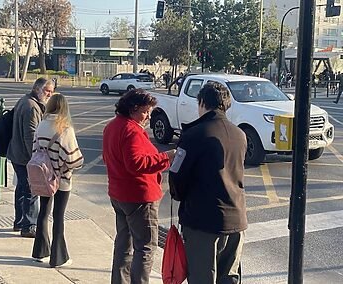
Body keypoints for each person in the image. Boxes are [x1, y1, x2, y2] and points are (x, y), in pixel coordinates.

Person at [169, 82, 248, 284]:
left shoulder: (193, 135)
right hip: (236, 219)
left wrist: (179, 196)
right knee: (229, 278)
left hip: (202, 221)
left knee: (202, 277)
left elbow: (177, 177)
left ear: (202, 102)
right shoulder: (240, 135)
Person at [102, 89, 176, 284]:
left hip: (119, 194)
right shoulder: (131, 131)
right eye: (145, 111)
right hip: (139, 196)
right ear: (133, 109)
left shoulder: (113, 126)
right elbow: (136, 164)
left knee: (123, 244)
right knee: (145, 247)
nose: (148, 116)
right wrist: (166, 157)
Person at [31, 93, 84, 267]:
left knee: (43, 212)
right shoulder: (65, 128)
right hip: (61, 179)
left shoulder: (41, 126)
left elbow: (35, 150)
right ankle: (58, 256)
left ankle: (40, 251)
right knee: (59, 215)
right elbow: (73, 159)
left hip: (44, 176)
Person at [7, 78, 55, 238]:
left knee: (21, 188)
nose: (50, 94)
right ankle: (29, 225)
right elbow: (30, 135)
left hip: (16, 153)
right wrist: (34, 159)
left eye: (51, 91)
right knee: (31, 190)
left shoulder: (24, 100)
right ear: (37, 89)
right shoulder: (32, 107)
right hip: (25, 156)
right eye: (47, 91)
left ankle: (19, 222)